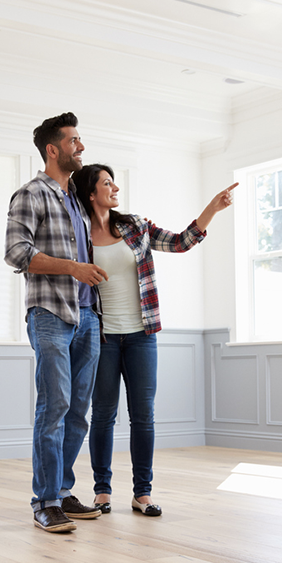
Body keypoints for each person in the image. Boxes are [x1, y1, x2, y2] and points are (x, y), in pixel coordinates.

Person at [71, 163, 237, 517]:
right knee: (102, 416)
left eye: (114, 182)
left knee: (143, 416)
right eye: (107, 183)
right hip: (100, 336)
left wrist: (211, 209)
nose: (115, 188)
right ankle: (102, 491)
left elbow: (179, 243)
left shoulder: (134, 226)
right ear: (91, 193)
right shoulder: (78, 234)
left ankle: (142, 493)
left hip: (141, 335)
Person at [4, 113, 110, 533]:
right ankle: (44, 501)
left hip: (88, 316)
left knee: (79, 412)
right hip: (50, 313)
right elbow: (16, 252)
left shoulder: (77, 203)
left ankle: (63, 491)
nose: (81, 147)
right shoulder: (30, 194)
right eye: (74, 141)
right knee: (55, 407)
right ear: (53, 148)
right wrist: (72, 268)